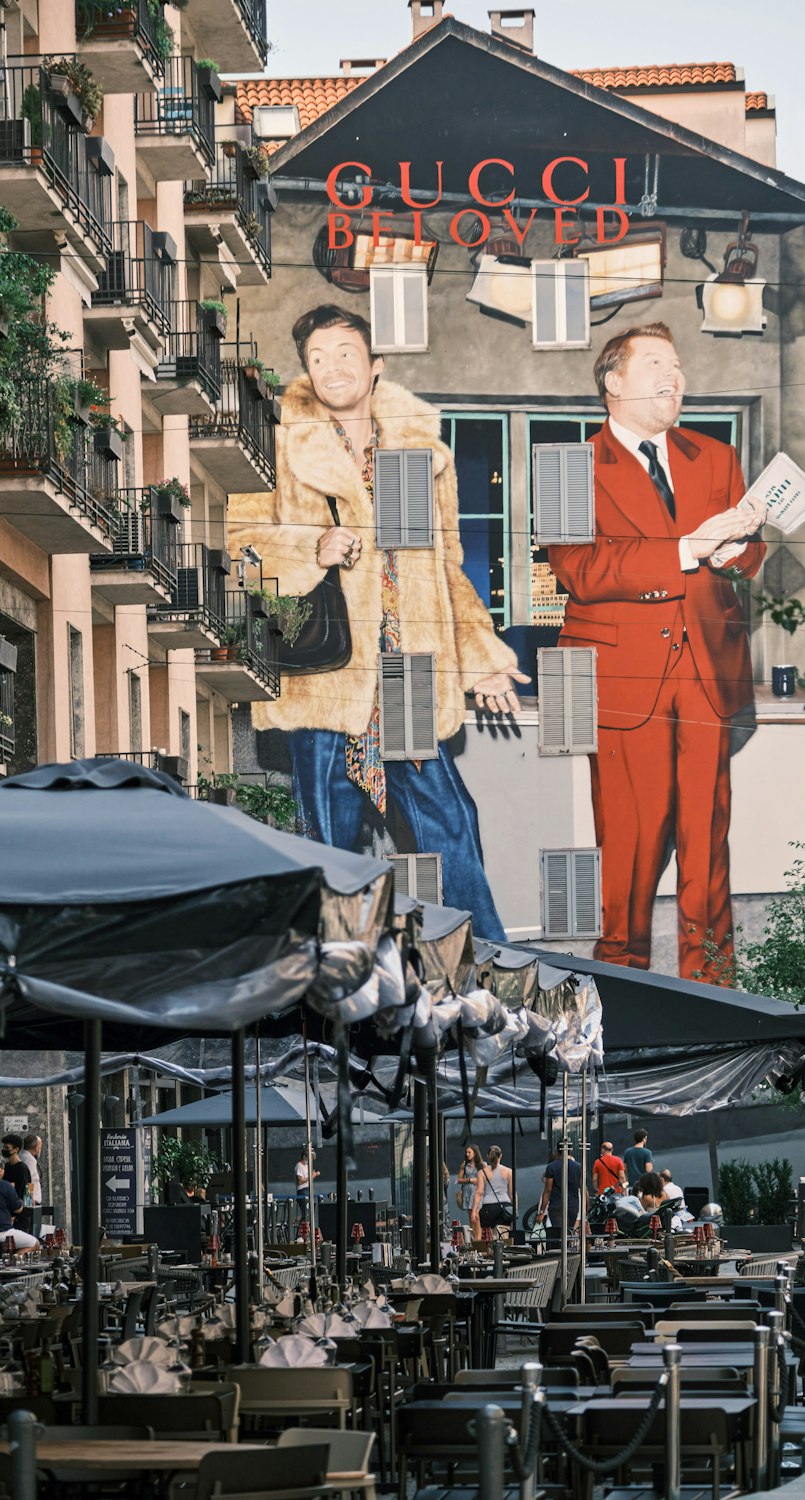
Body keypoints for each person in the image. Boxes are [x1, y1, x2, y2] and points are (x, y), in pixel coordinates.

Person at [229, 306, 529, 940]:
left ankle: (487, 968)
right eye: (318, 358)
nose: (333, 367)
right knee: (329, 841)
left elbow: (446, 567)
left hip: (409, 671)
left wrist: (481, 661)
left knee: (451, 822)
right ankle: (330, 984)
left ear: (375, 365)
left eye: (345, 353)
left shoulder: (413, 453)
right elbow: (240, 541)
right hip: (327, 675)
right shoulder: (281, 444)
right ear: (306, 373)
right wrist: (310, 548)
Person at [549, 323, 767, 979]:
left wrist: (735, 550)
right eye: (655, 364)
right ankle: (625, 990)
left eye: (677, 365)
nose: (674, 376)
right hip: (621, 683)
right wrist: (685, 551)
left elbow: (748, 554)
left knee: (708, 845)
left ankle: (715, 989)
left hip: (708, 675)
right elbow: (578, 570)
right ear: (612, 383)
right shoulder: (566, 465)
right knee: (631, 850)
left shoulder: (716, 456)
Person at [536, 1139, 585, 1242]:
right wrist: (586, 1209)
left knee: (558, 1234)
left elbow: (548, 1190)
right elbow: (583, 1189)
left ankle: (559, 1255)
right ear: (571, 1150)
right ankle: (568, 1254)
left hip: (557, 1205)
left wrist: (541, 1211)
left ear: (558, 1150)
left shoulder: (551, 1167)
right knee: (569, 1232)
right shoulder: (578, 1167)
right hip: (573, 1204)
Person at [474, 1145, 516, 1238]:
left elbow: (479, 1192)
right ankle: (503, 1251)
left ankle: (491, 1251)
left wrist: (474, 1211)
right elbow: (512, 1193)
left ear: (487, 1156)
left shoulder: (482, 1172)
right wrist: (515, 1209)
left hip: (488, 1207)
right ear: (501, 1156)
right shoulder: (509, 1171)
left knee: (489, 1237)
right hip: (505, 1206)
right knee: (504, 1235)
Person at [0, 1159, 38, 1252]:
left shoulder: (19, 1168)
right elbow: (19, 1207)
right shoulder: (25, 1167)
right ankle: (14, 1262)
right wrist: (26, 1201)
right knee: (35, 1243)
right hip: (5, 1230)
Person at [1, 1137, 31, 1233]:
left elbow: (28, 1194)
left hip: (19, 1218)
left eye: (7, 1147)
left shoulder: (22, 1169)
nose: (4, 1150)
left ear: (16, 1149)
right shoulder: (6, 1167)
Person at [455, 1145, 483, 1239]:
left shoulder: (482, 1165)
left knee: (477, 1215)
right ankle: (474, 1238)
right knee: (471, 1216)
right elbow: (458, 1180)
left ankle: (478, 1240)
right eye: (466, 1152)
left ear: (475, 1153)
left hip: (477, 1192)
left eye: (469, 1152)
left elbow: (486, 1179)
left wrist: (478, 1181)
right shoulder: (464, 1165)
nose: (467, 1154)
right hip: (467, 1192)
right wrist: (470, 1180)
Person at [21, 1133, 42, 1206]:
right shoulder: (30, 1160)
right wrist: (28, 1200)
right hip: (31, 1202)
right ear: (36, 1148)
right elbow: (30, 1179)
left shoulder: (21, 1156)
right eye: (40, 1147)